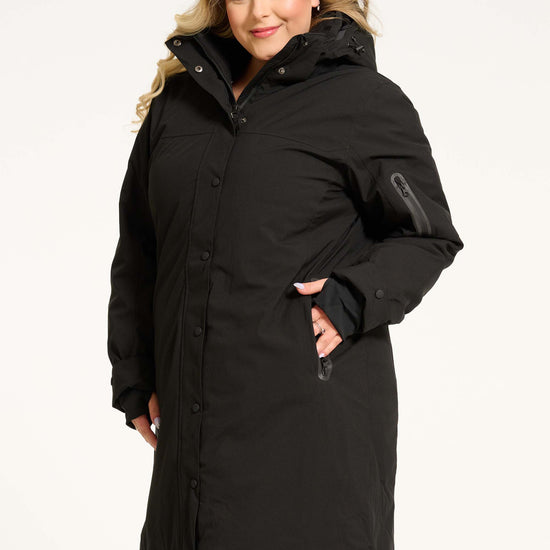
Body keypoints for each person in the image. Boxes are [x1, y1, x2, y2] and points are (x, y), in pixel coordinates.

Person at [107, 0, 465, 549]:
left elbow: (427, 234)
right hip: (193, 423)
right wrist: (135, 371)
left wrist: (351, 297)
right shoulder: (177, 106)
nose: (259, 11)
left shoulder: (363, 102)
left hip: (311, 424)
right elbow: (140, 247)